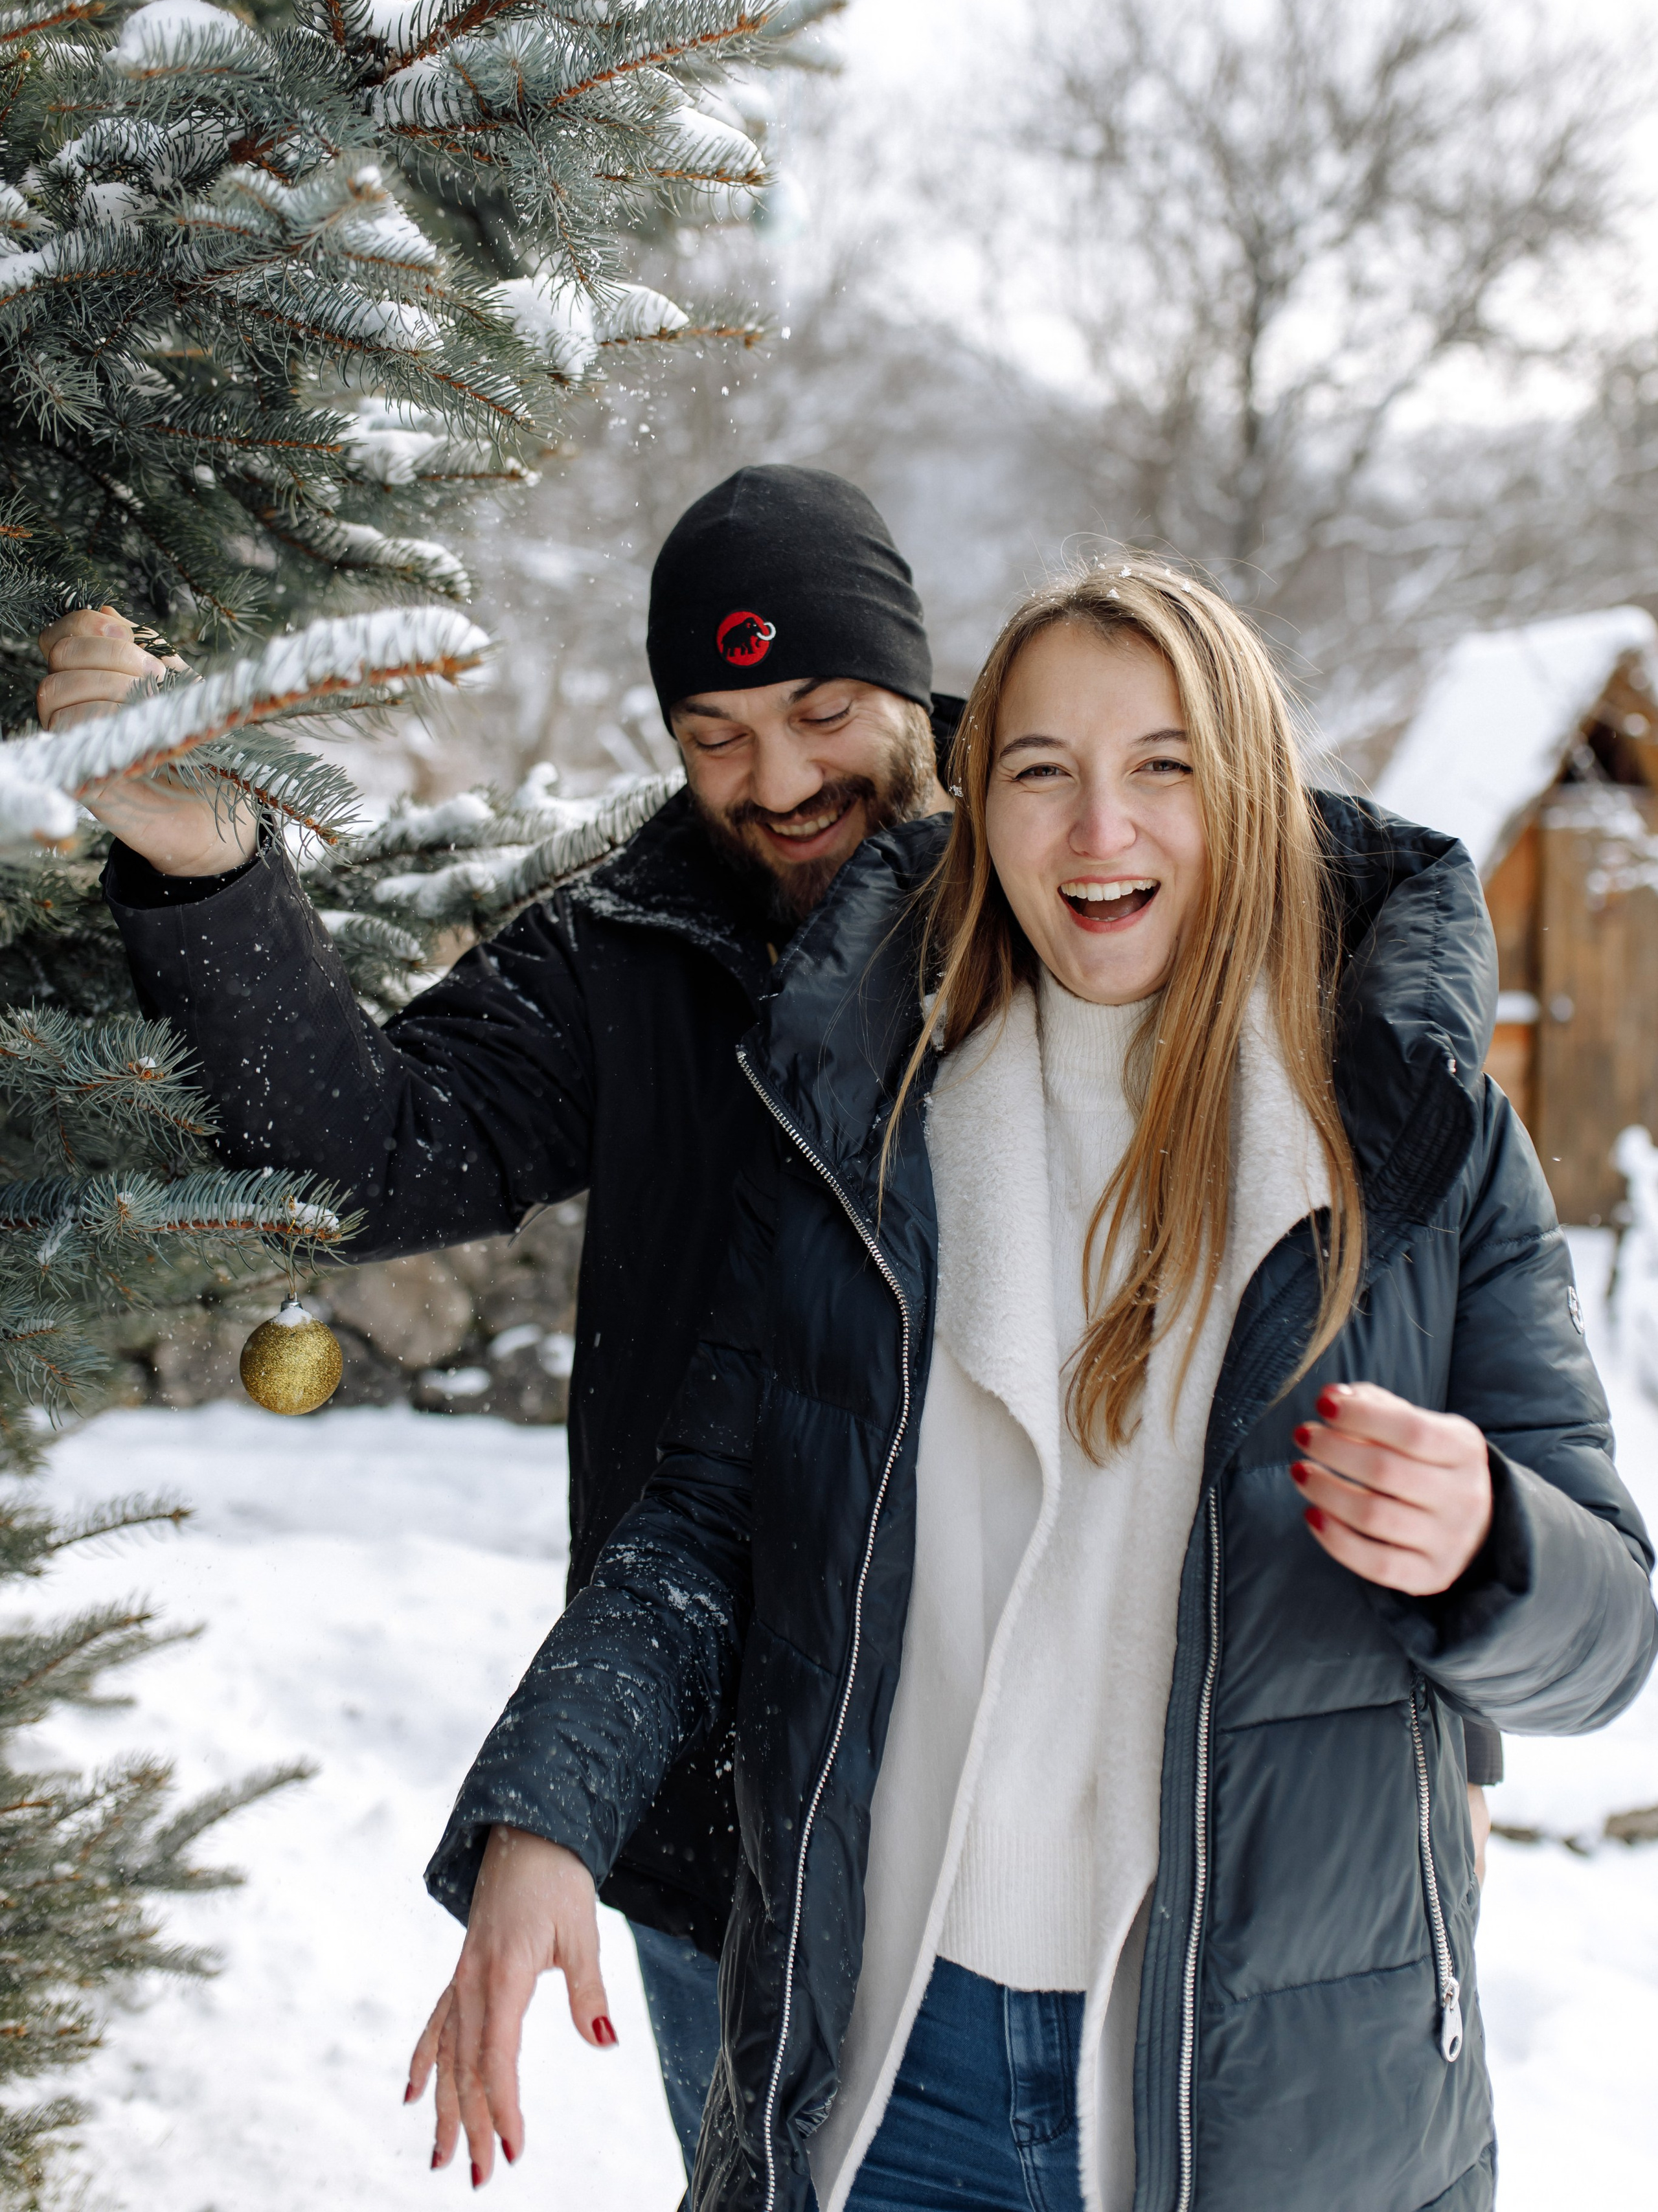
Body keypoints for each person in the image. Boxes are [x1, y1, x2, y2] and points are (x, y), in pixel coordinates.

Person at [413, 559, 1657, 2211]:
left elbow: (1608, 1635)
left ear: (1254, 789)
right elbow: (702, 1528)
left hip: (1272, 2120)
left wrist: (1491, 1538)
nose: (1099, 834)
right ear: (974, 800)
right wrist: (542, 1818)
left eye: (1163, 768)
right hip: (883, 2081)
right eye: (1040, 772)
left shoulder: (1415, 1135)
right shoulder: (861, 1117)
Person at [35, 464, 953, 2188]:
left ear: (910, 683)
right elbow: (371, 1154)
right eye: (715, 734)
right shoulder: (634, 940)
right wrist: (209, 865)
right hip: (715, 1806)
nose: (779, 782)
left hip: (1007, 1789)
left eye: (826, 713)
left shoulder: (1067, 896)